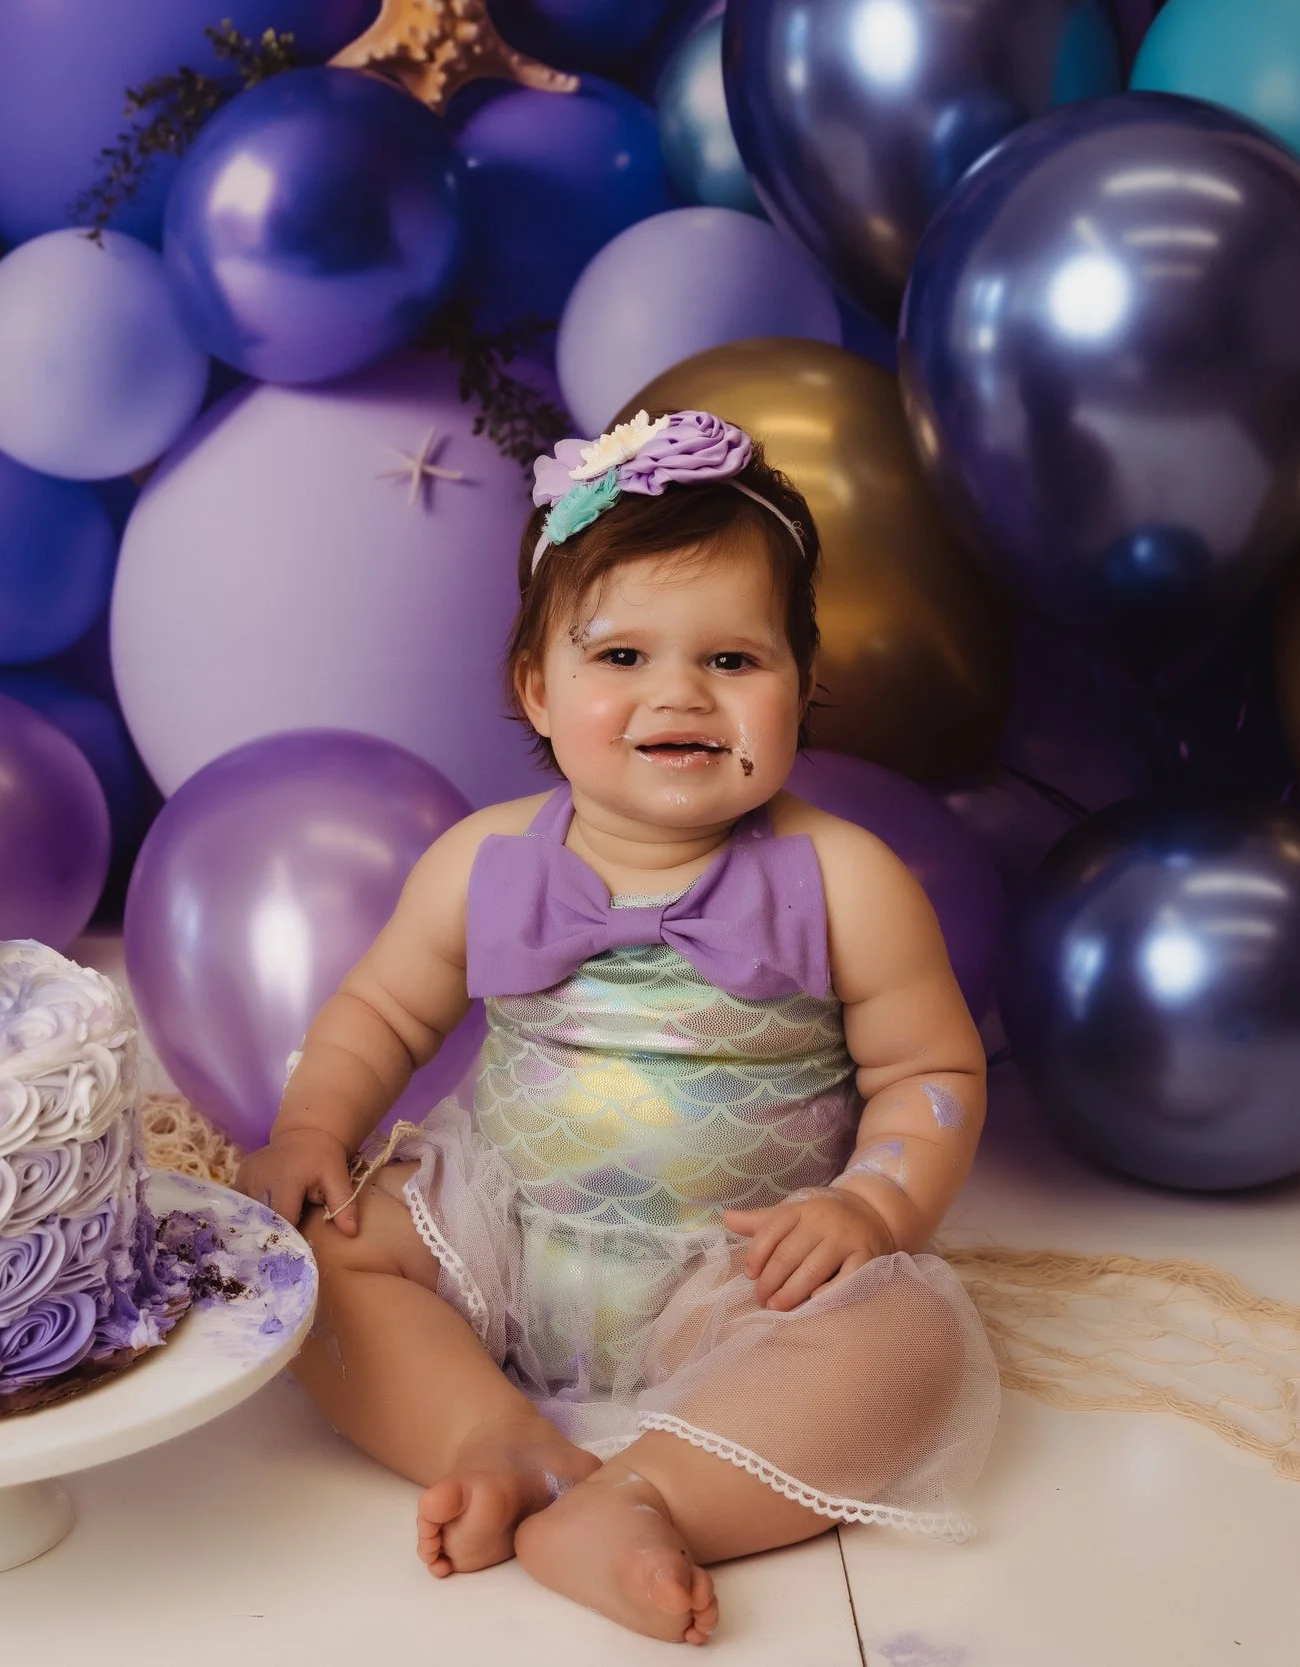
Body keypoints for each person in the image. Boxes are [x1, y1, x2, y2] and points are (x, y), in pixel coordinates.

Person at [234, 410, 999, 1645]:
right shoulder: (482, 859)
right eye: (624, 655)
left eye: (733, 659)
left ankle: (647, 1494)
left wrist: (869, 1208)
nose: (678, 693)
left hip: (734, 1273)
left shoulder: (846, 878)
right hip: (504, 1233)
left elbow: (930, 1068)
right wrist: (314, 1124)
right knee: (320, 1255)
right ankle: (489, 1435)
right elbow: (380, 1009)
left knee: (904, 1342)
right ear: (538, 689)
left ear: (802, 682)